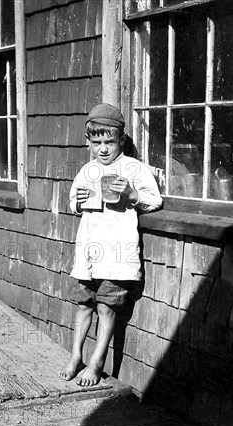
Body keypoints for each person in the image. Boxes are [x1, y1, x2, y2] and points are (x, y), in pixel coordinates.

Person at [58, 103, 162, 386]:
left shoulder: (133, 168)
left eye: (109, 142)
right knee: (83, 305)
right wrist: (77, 202)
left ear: (121, 140)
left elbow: (154, 200)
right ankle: (76, 355)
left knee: (106, 308)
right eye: (97, 143)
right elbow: (73, 203)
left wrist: (131, 194)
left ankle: (96, 362)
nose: (103, 149)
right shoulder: (87, 170)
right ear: (88, 142)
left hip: (117, 253)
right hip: (89, 253)